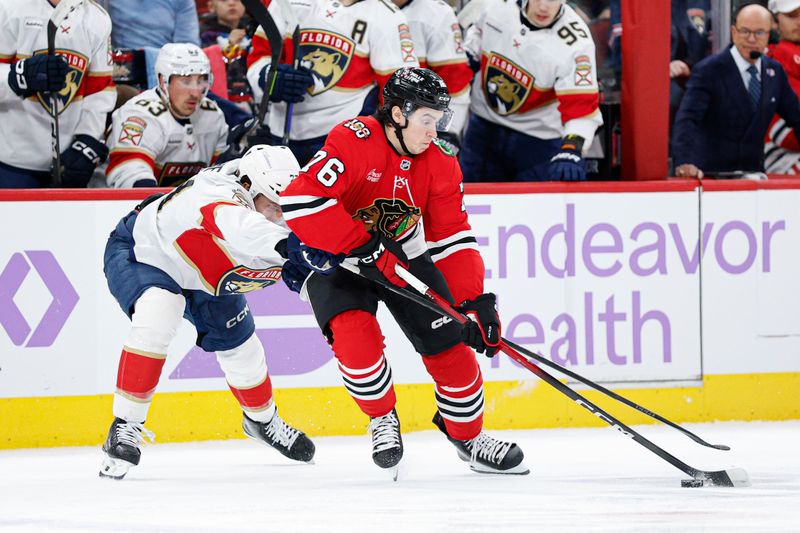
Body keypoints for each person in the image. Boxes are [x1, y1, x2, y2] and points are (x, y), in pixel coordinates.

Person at [279, 67, 528, 476]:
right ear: (397, 114)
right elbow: (302, 202)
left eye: (439, 119)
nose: (435, 130)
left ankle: (467, 437)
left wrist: (473, 302)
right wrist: (356, 243)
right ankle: (382, 418)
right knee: (355, 339)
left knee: (454, 351)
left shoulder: (442, 161)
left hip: (404, 257)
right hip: (340, 255)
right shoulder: (353, 138)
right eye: (427, 119)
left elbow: (451, 236)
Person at [100, 144, 327, 479]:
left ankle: (262, 422)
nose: (282, 218)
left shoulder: (279, 200)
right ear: (247, 187)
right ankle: (125, 426)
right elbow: (236, 224)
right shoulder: (213, 193)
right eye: (273, 207)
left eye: (285, 208)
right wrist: (286, 249)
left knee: (242, 349)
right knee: (160, 312)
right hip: (149, 253)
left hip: (209, 274)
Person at [245, 0, 419, 165]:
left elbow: (400, 91)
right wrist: (269, 77)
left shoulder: (387, 16)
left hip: (343, 138)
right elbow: (259, 54)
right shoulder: (287, 3)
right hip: (277, 131)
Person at [459, 0, 603, 182]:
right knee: (466, 203)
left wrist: (572, 148)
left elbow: (581, 107)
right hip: (483, 131)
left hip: (538, 142)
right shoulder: (493, 5)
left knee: (537, 208)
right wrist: (466, 60)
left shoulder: (577, 43)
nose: (543, 7)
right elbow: (472, 40)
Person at [673, 3, 800, 178]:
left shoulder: (774, 71)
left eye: (759, 33)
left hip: (754, 177)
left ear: (769, 35)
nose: (752, 39)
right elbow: (687, 119)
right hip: (712, 177)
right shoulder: (709, 70)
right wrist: (684, 162)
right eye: (745, 31)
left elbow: (796, 116)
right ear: (734, 32)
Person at [0, 0, 115, 188]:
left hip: (66, 163)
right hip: (11, 162)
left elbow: (99, 91)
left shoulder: (97, 18)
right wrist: (19, 76)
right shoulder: (8, 8)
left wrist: (87, 139)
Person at [105, 44, 229, 188]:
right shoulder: (140, 115)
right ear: (164, 82)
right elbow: (130, 175)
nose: (195, 93)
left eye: (201, 80)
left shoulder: (213, 115)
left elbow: (220, 175)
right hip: (117, 207)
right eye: (186, 81)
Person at [390, 0, 473, 152]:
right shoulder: (355, 8)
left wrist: (447, 133)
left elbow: (455, 84)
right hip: (371, 122)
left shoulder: (437, 14)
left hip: (414, 131)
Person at [765, 0, 800, 173]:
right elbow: (786, 136)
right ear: (774, 21)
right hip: (779, 161)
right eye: (792, 16)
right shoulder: (771, 61)